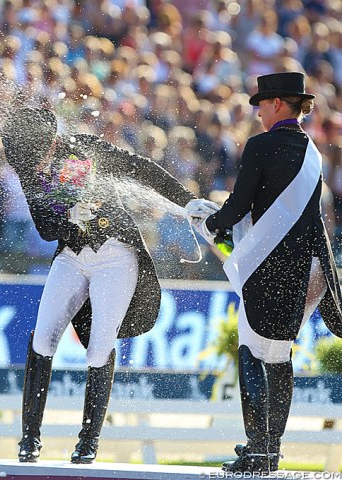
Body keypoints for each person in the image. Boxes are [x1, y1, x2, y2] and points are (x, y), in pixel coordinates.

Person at [1, 107, 203, 464]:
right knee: (43, 336)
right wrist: (68, 215)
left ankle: (88, 440)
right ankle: (29, 438)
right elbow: (46, 230)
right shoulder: (28, 169)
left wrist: (185, 201)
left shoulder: (85, 147)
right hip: (72, 253)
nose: (32, 164)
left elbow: (140, 169)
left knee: (99, 347)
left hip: (114, 252)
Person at [189, 72, 342, 473]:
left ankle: (258, 448)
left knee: (251, 350)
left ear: (277, 104)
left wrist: (211, 223)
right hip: (309, 267)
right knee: (279, 356)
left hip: (271, 266)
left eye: (261, 104)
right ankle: (270, 448)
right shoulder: (313, 151)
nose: (257, 112)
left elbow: (239, 205)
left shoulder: (260, 145)